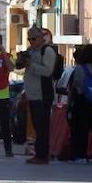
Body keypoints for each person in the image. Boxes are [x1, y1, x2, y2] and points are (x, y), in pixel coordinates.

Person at [16, 27, 56, 165]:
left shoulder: (47, 51)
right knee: (37, 127)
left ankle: (42, 155)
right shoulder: (30, 52)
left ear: (41, 37)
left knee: (42, 127)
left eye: (34, 38)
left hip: (42, 94)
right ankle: (39, 154)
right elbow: (19, 67)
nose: (31, 41)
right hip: (32, 95)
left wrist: (30, 65)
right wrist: (21, 60)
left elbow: (47, 71)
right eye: (29, 39)